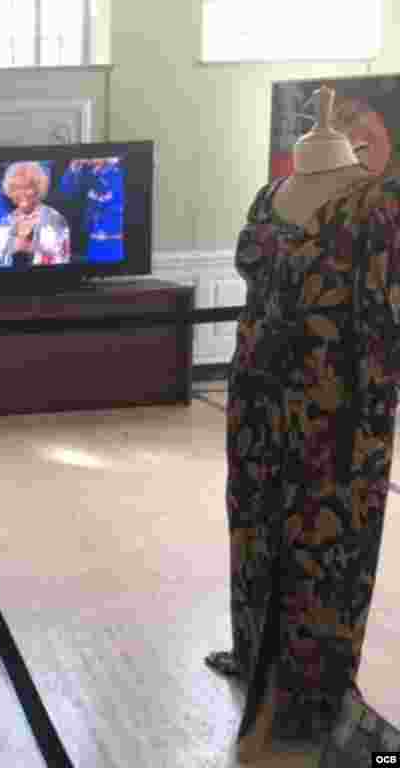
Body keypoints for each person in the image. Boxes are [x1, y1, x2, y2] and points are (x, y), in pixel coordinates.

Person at [205, 86, 400, 762]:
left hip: (338, 415)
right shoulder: (268, 195)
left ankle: (314, 713)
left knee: (326, 559)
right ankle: (262, 678)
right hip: (255, 404)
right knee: (256, 542)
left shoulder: (382, 206)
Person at [0, 161, 70, 269]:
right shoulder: (1, 225)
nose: (22, 193)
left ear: (38, 188)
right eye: (16, 188)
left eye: (28, 187)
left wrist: (32, 252)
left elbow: (62, 263)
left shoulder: (56, 221)